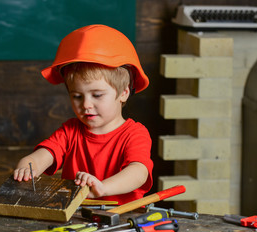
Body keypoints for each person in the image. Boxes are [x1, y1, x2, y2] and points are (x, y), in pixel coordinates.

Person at [13, 24, 153, 205]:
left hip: (121, 219)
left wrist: (102, 188)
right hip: (74, 215)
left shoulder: (134, 134)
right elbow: (45, 155)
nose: (86, 105)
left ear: (124, 93)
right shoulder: (70, 131)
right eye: (77, 96)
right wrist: (28, 166)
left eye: (97, 95)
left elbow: (138, 172)